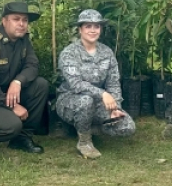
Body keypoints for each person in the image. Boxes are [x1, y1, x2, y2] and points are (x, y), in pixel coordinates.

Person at [54, 9, 136, 159]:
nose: (93, 30)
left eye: (96, 26)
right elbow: (76, 84)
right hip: (70, 100)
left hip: (98, 102)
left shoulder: (107, 52)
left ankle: (90, 127)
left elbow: (113, 83)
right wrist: (103, 94)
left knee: (127, 127)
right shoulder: (69, 53)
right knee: (86, 101)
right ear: (80, 29)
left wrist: (115, 107)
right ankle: (84, 141)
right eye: (88, 26)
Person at [0, 0, 48, 156]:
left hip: (6, 93)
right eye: (16, 19)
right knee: (11, 125)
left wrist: (18, 81)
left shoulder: (23, 40)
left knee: (41, 85)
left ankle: (22, 139)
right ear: (4, 21)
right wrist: (13, 107)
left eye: (25, 20)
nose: (21, 24)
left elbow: (32, 65)